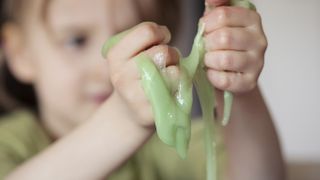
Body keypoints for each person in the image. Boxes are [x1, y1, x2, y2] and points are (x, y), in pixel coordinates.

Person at [0, 0, 285, 179]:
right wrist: (123, 120)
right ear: (19, 52)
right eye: (76, 40)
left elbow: (260, 175)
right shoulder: (10, 142)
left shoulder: (170, 141)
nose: (106, 69)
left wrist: (232, 81)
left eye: (137, 43)